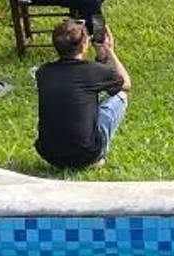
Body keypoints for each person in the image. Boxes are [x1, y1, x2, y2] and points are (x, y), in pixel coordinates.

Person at [35, 18, 130, 171]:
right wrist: (110, 51)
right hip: (85, 154)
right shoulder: (92, 71)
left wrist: (101, 58)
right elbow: (125, 83)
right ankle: (98, 157)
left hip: (48, 154)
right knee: (121, 95)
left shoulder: (43, 72)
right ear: (84, 44)